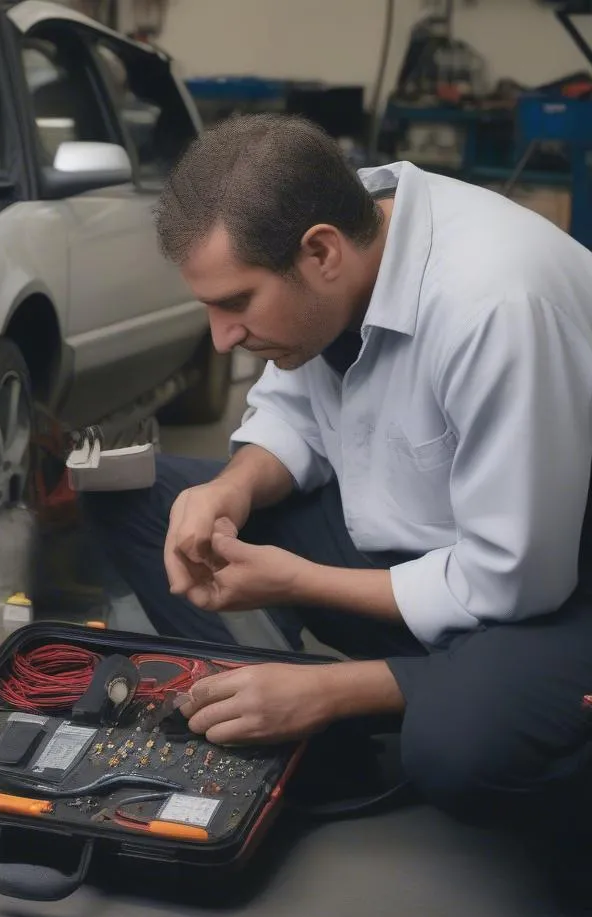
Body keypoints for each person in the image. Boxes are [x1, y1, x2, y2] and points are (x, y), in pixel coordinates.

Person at [83, 113, 592, 852]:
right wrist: (234, 488)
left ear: (319, 252)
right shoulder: (344, 249)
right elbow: (294, 416)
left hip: (558, 593)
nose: (221, 338)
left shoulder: (495, 305)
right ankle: (282, 722)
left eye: (235, 303)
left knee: (457, 752)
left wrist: (300, 595)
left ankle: (353, 701)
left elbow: (514, 583)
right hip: (422, 559)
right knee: (134, 500)